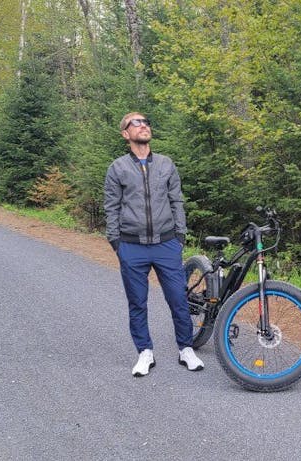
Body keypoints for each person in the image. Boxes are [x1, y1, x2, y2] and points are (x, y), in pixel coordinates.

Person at [104, 112, 204, 376]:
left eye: (146, 122)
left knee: (178, 298)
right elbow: (111, 207)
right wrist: (116, 243)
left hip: (166, 244)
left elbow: (176, 201)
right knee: (137, 302)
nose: (143, 125)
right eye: (136, 123)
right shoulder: (117, 168)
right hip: (131, 246)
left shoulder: (165, 164)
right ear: (125, 134)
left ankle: (186, 348)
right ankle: (144, 352)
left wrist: (179, 236)